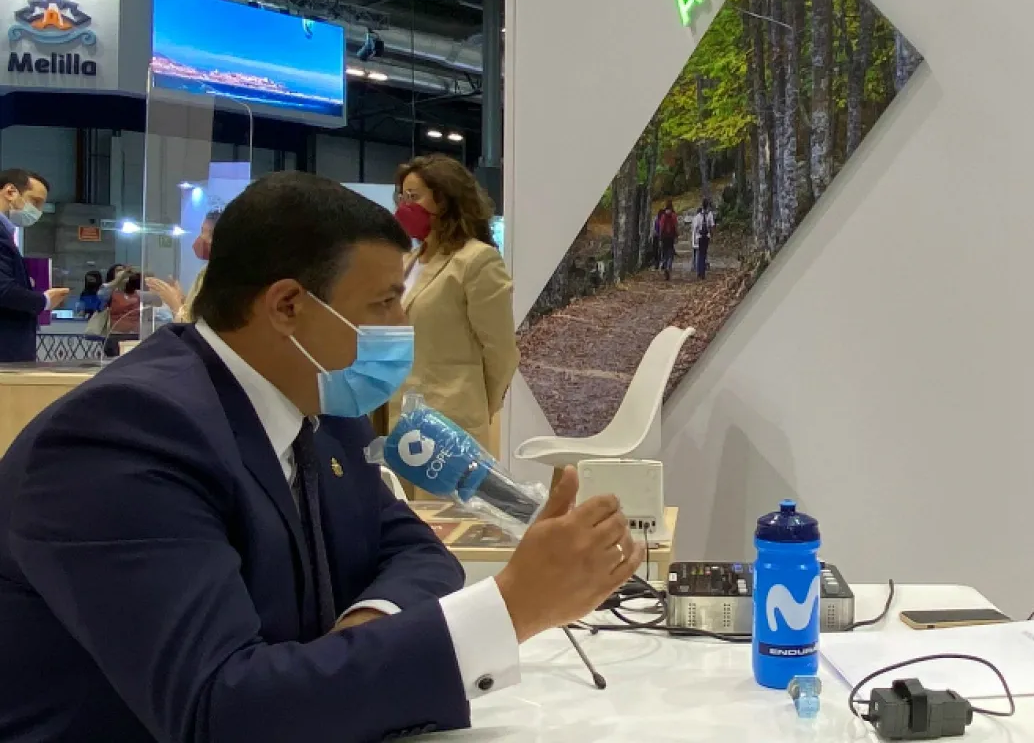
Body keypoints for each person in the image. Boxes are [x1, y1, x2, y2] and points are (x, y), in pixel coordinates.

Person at [0, 172, 643, 742]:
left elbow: (415, 552)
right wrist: (510, 608)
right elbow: (218, 712)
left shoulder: (323, 408)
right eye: (383, 302)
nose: (402, 325)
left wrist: (361, 632)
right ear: (287, 306)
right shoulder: (125, 437)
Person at [391, 154, 517, 452]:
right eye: (402, 197)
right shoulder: (407, 261)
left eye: (414, 197)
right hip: (399, 417)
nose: (405, 206)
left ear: (445, 200)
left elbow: (501, 351)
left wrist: (476, 404)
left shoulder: (477, 260)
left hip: (450, 422)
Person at [0, 169, 69, 362]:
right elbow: (3, 290)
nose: (38, 211)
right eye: (35, 201)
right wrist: (44, 300)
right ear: (10, 192)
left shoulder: (7, 234)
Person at [147, 208, 220, 324]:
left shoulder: (221, 276)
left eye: (209, 233)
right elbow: (196, 312)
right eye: (202, 231)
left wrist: (174, 303)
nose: (202, 238)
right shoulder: (205, 271)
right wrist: (182, 298)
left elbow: (196, 327)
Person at [691, 199, 715, 280]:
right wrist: (712, 235)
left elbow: (695, 228)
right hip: (705, 236)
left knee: (701, 254)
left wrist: (694, 238)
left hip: (700, 236)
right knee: (703, 254)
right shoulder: (709, 214)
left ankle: (700, 272)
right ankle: (702, 272)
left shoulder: (698, 216)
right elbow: (712, 226)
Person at [657, 200, 679, 280]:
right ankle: (669, 266)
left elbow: (661, 226)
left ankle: (665, 265)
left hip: (664, 236)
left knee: (664, 252)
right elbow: (676, 226)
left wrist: (660, 236)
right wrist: (676, 235)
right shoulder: (673, 215)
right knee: (670, 252)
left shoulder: (663, 215)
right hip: (671, 236)